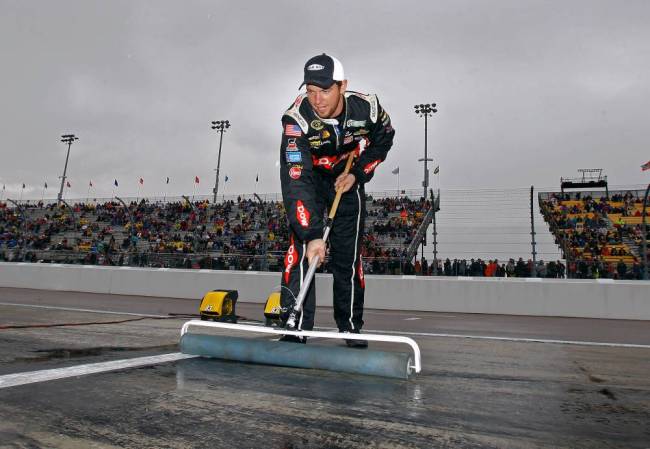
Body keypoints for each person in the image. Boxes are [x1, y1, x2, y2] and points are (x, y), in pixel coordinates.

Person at [279, 53, 395, 347]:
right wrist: (313, 235)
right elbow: (296, 180)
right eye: (311, 91)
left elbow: (383, 140)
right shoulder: (296, 121)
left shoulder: (368, 109)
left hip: (346, 181)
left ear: (343, 85)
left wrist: (358, 173)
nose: (317, 100)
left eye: (325, 90)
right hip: (311, 182)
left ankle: (351, 327)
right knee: (304, 252)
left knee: (348, 260)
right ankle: (295, 328)